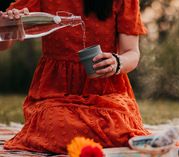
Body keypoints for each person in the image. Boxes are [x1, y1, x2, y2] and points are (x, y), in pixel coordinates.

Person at [0, 0, 150, 154]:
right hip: (55, 93)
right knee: (56, 124)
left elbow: (132, 52)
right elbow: (3, 41)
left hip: (106, 92)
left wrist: (117, 62)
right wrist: (6, 24)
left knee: (119, 126)